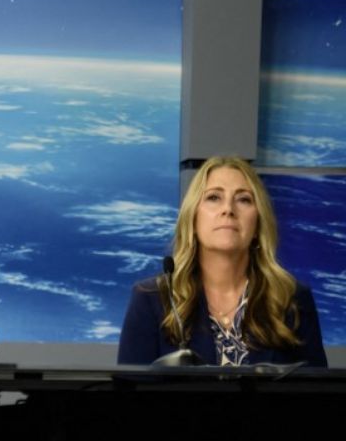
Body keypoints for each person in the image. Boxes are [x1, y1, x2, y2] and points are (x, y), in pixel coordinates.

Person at [117, 156, 326, 366]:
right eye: (214, 197)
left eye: (243, 199)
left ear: (258, 224)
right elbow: (131, 385)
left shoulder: (292, 299)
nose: (228, 209)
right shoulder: (152, 299)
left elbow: (317, 384)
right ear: (193, 218)